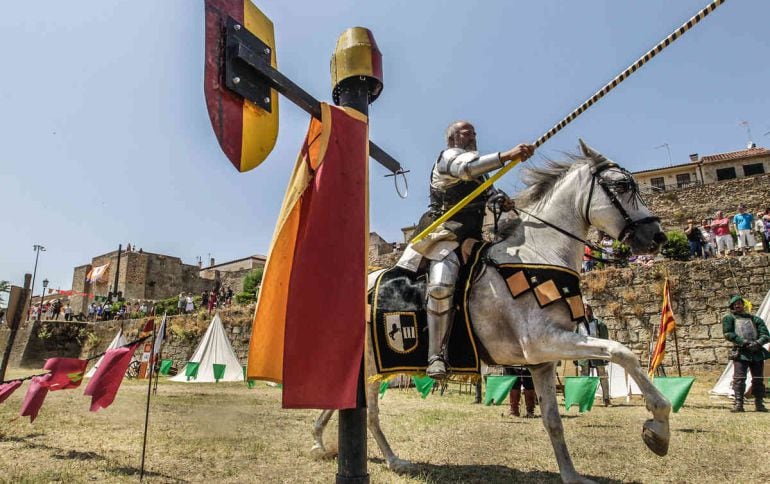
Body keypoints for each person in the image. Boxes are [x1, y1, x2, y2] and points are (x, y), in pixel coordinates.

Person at [399, 120, 534, 379]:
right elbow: (467, 170)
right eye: (465, 132)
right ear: (452, 139)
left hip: (473, 239)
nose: (472, 135)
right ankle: (436, 355)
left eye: (474, 132)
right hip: (445, 235)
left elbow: (487, 193)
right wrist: (508, 156)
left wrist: (500, 202)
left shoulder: (482, 174)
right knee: (441, 284)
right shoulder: (448, 157)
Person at [722, 295, 770, 412]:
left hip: (756, 352)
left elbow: (765, 334)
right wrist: (744, 342)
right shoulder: (729, 319)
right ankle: (739, 404)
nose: (738, 305)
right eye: (735, 304)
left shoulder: (755, 319)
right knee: (739, 378)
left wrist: (758, 343)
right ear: (732, 306)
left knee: (758, 378)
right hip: (741, 352)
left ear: (743, 305)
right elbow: (728, 333)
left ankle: (759, 404)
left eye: (739, 303)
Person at [575, 304, 612, 406]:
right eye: (584, 309)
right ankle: (584, 400)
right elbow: (575, 341)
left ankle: (606, 399)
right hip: (584, 355)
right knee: (584, 377)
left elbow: (604, 340)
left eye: (587, 309)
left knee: (603, 376)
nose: (586, 311)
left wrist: (605, 355)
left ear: (590, 311)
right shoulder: (579, 324)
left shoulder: (598, 323)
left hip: (598, 354)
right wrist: (575, 356)